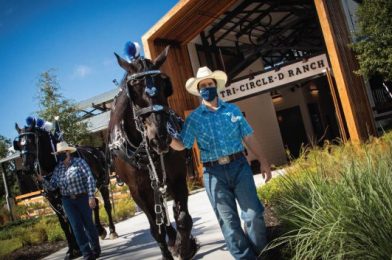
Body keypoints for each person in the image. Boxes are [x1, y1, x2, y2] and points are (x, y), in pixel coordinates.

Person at [170, 66, 272, 260]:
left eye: (210, 84)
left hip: (239, 166)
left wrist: (264, 160)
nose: (207, 87)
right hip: (213, 174)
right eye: (203, 85)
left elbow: (249, 137)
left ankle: (262, 254)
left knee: (253, 215)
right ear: (199, 90)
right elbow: (183, 144)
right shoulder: (194, 118)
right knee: (229, 222)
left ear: (216, 86)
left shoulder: (232, 110)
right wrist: (166, 140)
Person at [37, 141, 101, 260]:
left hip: (82, 198)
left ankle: (96, 248)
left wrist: (91, 196)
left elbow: (89, 178)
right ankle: (87, 253)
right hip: (67, 201)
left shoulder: (79, 163)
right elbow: (52, 186)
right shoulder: (58, 168)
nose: (60, 154)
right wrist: (42, 180)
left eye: (62, 152)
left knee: (88, 225)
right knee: (76, 227)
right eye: (59, 153)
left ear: (68, 152)